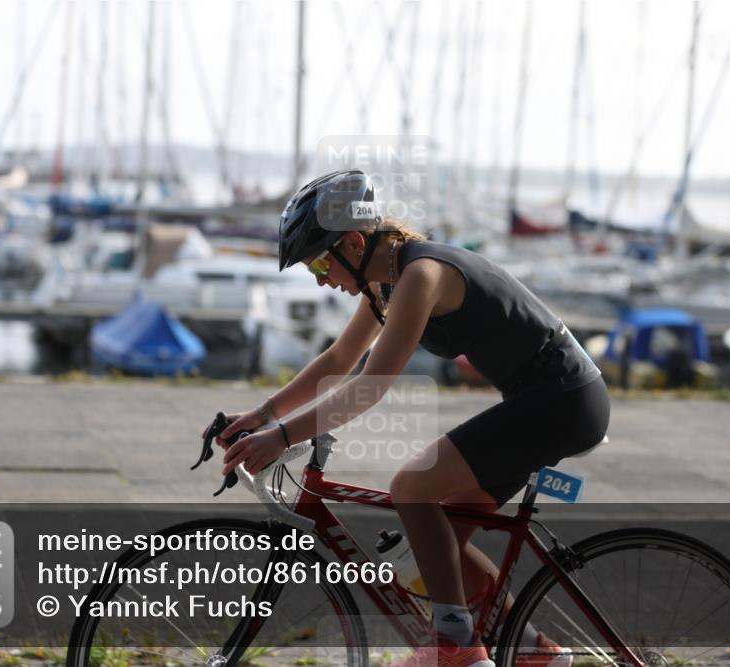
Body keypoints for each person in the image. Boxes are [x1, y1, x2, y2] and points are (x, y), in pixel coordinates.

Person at [212, 170, 610, 667]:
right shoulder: (386, 283)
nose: (319, 278)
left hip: (562, 399)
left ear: (353, 243)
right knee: (433, 542)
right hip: (544, 399)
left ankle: (455, 646)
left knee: (411, 487)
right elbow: (339, 360)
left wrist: (282, 437)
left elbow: (371, 384)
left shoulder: (422, 275)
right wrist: (263, 414)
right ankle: (533, 651)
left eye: (318, 262)